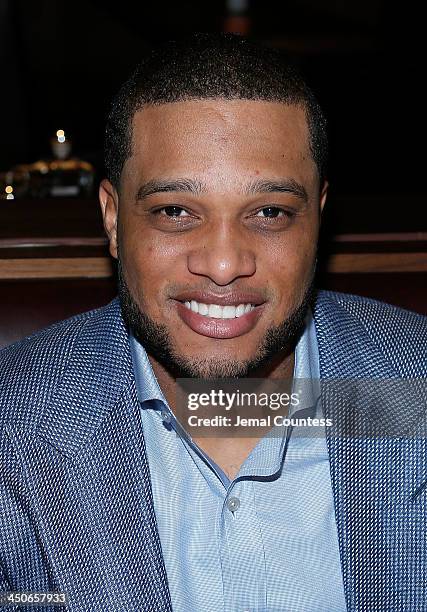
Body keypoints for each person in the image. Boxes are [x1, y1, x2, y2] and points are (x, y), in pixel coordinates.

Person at [0, 33, 426, 612]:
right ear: (113, 219)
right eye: (175, 212)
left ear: (319, 218)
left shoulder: (411, 390)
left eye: (270, 212)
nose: (224, 264)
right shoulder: (14, 416)